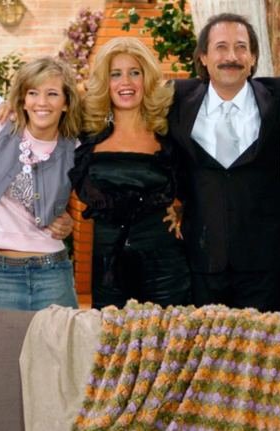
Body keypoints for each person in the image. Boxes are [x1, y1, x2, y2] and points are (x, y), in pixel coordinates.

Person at [166, 13, 280, 312]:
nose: (231, 57)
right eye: (221, 47)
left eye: (241, 47)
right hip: (201, 262)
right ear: (203, 57)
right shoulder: (175, 100)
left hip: (263, 266)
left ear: (253, 58)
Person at [68, 37, 191, 309]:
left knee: (168, 336)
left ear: (147, 79)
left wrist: (184, 210)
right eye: (115, 74)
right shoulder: (87, 135)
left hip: (165, 268)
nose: (126, 82)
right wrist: (9, 107)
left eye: (135, 72)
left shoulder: (169, 132)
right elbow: (41, 116)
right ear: (105, 82)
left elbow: (199, 177)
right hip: (108, 269)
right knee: (110, 335)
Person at [0, 57, 81, 310]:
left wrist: (69, 220)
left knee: (60, 338)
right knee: (1, 339)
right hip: (0, 275)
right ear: (22, 99)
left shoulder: (75, 149)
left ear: (66, 103)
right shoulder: (2, 124)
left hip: (53, 271)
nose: (41, 102)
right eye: (33, 93)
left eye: (52, 94)